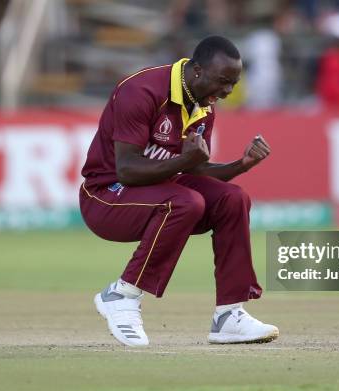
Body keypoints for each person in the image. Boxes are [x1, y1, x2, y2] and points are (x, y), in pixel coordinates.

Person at [79, 36, 277, 347]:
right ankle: (122, 294)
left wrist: (242, 164)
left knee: (233, 198)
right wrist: (185, 160)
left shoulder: (203, 104)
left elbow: (196, 169)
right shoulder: (141, 91)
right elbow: (127, 170)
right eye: (223, 82)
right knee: (185, 201)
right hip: (106, 196)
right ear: (197, 70)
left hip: (157, 193)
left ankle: (229, 315)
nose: (227, 92)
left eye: (233, 84)